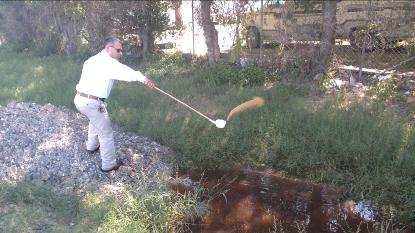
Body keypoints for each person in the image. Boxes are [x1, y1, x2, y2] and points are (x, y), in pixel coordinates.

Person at [74, 37, 155, 172]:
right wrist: (144, 79)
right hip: (92, 102)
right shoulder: (108, 63)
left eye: (121, 51)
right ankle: (109, 164)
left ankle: (91, 146)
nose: (121, 53)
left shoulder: (92, 60)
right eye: (118, 50)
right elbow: (126, 72)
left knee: (95, 119)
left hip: (80, 100)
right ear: (108, 48)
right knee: (105, 133)